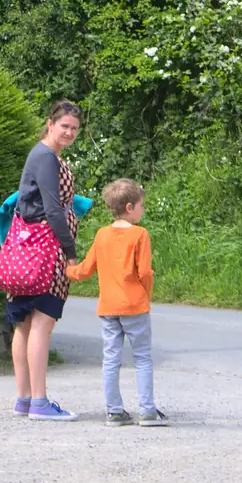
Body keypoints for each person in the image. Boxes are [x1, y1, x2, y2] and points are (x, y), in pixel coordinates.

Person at [66, 177, 168, 427]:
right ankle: (147, 411)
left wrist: (67, 271)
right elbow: (144, 272)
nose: (143, 210)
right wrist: (146, 294)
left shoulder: (102, 235)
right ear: (130, 208)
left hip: (108, 308)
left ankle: (114, 411)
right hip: (135, 306)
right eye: (142, 205)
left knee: (111, 358)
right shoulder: (140, 235)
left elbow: (86, 269)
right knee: (142, 357)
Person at [8, 99, 82, 421]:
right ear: (50, 124)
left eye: (74, 129)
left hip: (26, 248)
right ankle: (39, 402)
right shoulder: (47, 158)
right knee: (42, 322)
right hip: (45, 250)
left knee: (24, 323)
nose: (69, 132)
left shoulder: (41, 154)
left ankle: (24, 399)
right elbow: (51, 209)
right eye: (64, 126)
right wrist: (70, 252)